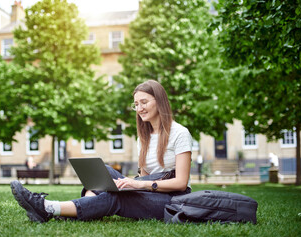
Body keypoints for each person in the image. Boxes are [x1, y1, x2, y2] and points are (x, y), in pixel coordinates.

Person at [10, 80, 193, 223]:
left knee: (115, 198)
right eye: (136, 104)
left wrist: (139, 185)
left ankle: (47, 207)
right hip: (150, 193)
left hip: (172, 201)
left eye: (143, 102)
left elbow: (181, 183)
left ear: (159, 101)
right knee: (102, 173)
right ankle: (77, 211)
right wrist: (134, 183)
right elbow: (145, 176)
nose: (139, 109)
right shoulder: (143, 137)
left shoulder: (180, 133)